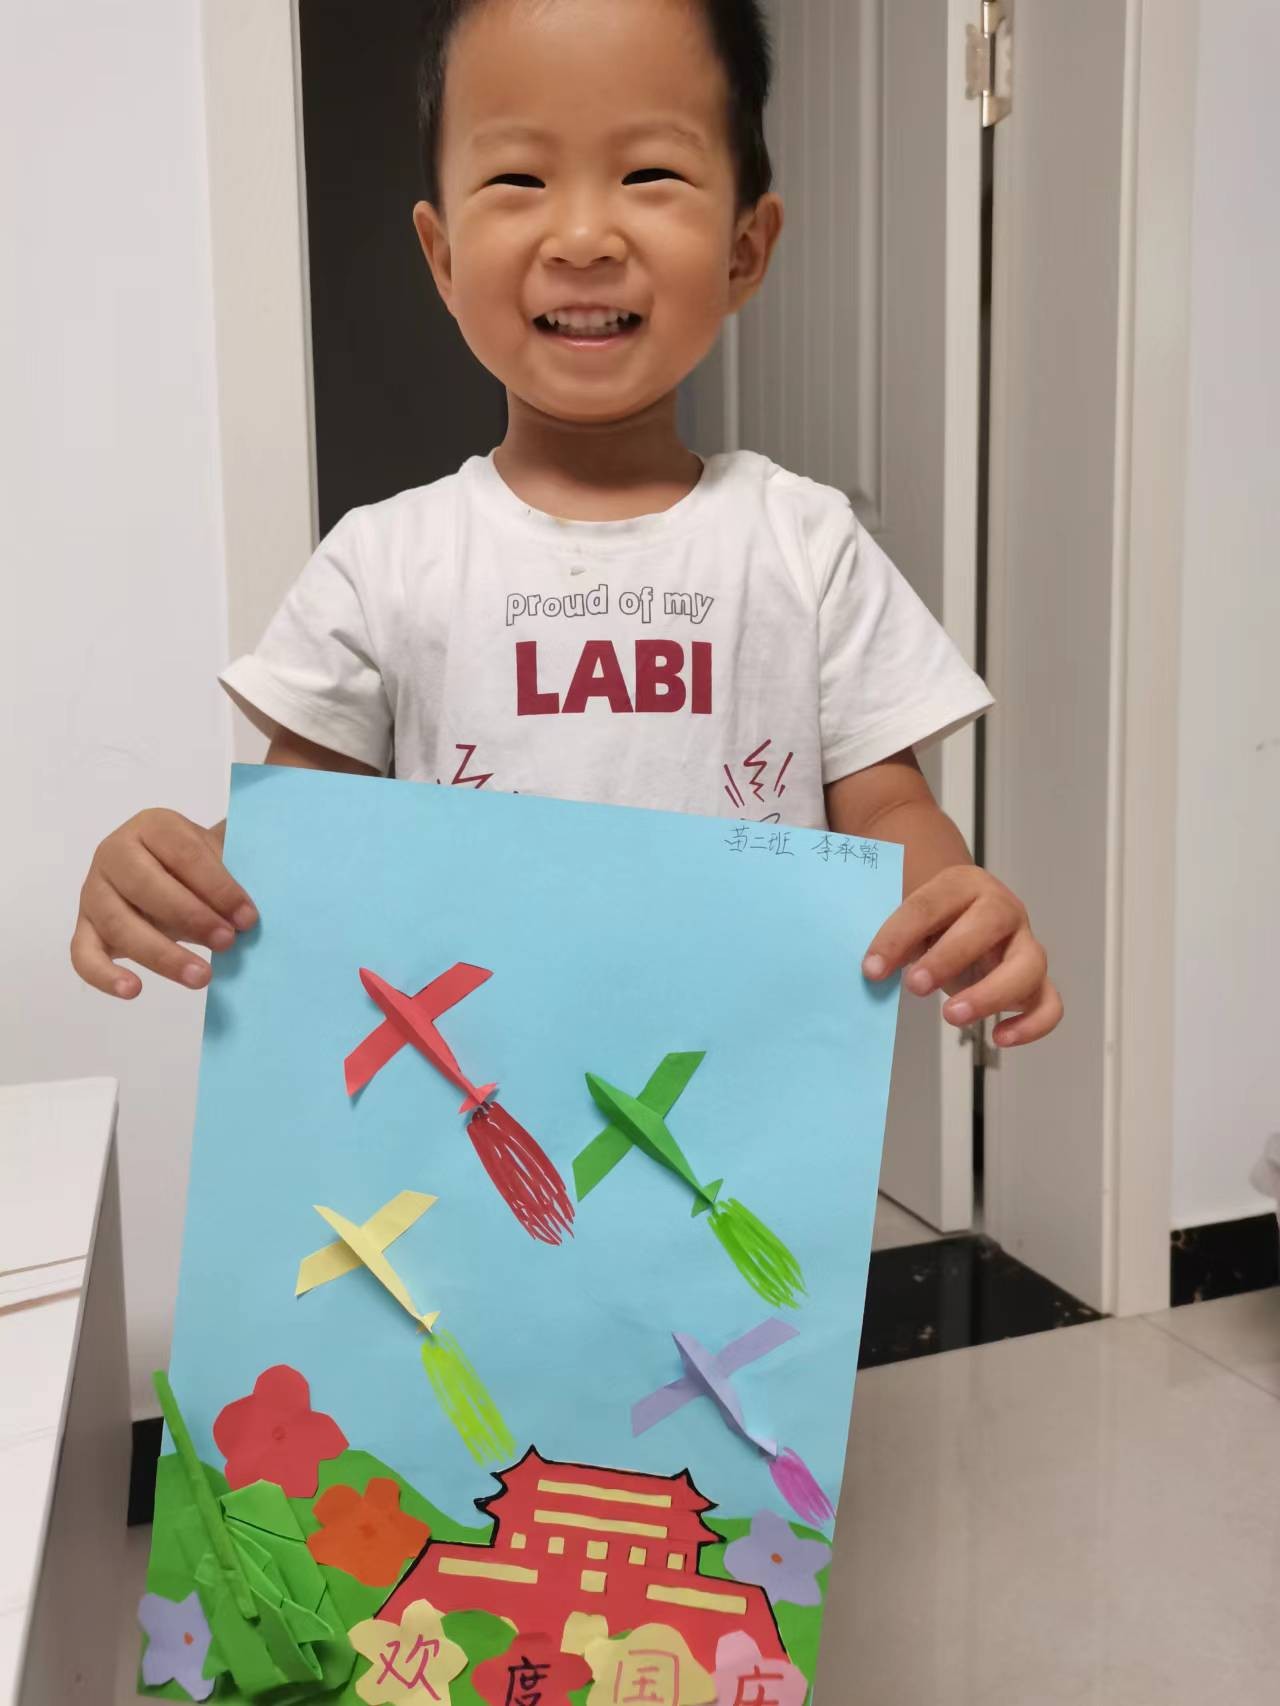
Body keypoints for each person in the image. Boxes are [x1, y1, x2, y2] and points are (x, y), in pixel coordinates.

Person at [70, 0, 1061, 1049]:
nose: (584, 237)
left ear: (744, 248)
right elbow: (295, 839)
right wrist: (176, 868)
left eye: (648, 173)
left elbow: (887, 812)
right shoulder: (384, 563)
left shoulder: (805, 546)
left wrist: (956, 901)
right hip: (471, 1092)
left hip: (739, 1097)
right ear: (443, 255)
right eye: (518, 179)